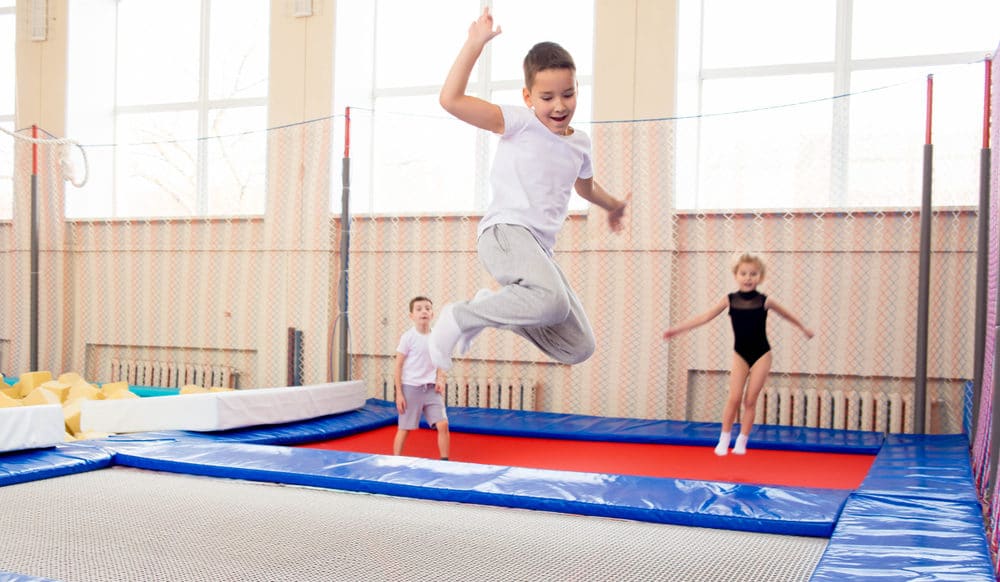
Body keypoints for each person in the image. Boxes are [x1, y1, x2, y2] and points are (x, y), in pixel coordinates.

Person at [430, 6, 627, 371]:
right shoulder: (520, 123)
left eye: (567, 95)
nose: (558, 106)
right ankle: (461, 315)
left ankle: (484, 309)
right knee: (551, 301)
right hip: (505, 232)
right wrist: (474, 44)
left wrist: (614, 205)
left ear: (577, 91)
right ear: (528, 97)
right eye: (547, 97)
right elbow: (451, 100)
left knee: (578, 345)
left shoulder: (579, 144)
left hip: (538, 250)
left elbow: (586, 189)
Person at [662, 254, 814, 456]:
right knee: (733, 398)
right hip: (740, 354)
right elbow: (705, 317)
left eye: (753, 274)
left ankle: (742, 439)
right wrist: (677, 330)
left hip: (762, 354)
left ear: (760, 277)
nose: (748, 277)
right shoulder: (729, 299)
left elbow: (786, 314)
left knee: (750, 400)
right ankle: (724, 438)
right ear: (736, 275)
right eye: (744, 273)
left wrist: (803, 328)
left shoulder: (765, 300)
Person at [394, 296, 450, 460]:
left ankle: (445, 461)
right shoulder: (408, 338)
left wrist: (440, 379)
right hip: (411, 388)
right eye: (419, 309)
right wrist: (399, 394)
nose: (423, 311)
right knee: (404, 428)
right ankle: (395, 460)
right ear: (412, 315)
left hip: (431, 388)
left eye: (427, 308)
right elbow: (398, 366)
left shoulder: (437, 337)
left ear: (432, 314)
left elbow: (440, 362)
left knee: (443, 424)